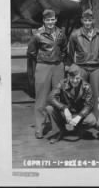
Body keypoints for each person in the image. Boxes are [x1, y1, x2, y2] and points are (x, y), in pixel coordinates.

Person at [27, 9, 67, 139]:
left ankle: (57, 128)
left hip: (58, 66)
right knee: (41, 98)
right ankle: (39, 128)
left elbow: (64, 49)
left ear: (55, 20)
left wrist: (59, 60)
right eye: (48, 20)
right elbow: (31, 52)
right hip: (43, 66)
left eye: (53, 19)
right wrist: (43, 60)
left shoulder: (61, 33)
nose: (51, 22)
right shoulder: (37, 35)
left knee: (58, 97)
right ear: (44, 20)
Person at [45, 64, 96, 144]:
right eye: (72, 78)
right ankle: (60, 131)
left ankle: (79, 129)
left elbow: (89, 105)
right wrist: (64, 108)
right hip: (64, 114)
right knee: (49, 108)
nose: (75, 81)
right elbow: (50, 97)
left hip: (78, 113)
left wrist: (79, 116)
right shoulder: (62, 83)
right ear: (68, 76)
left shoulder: (87, 86)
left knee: (92, 120)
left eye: (77, 78)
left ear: (81, 76)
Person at [68, 9, 99, 115]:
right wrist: (74, 64)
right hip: (81, 67)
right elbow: (70, 52)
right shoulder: (75, 35)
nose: (88, 23)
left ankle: (97, 116)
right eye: (85, 20)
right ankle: (81, 115)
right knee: (80, 91)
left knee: (96, 92)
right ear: (82, 21)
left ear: (93, 20)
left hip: (96, 67)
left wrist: (97, 60)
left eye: (90, 20)